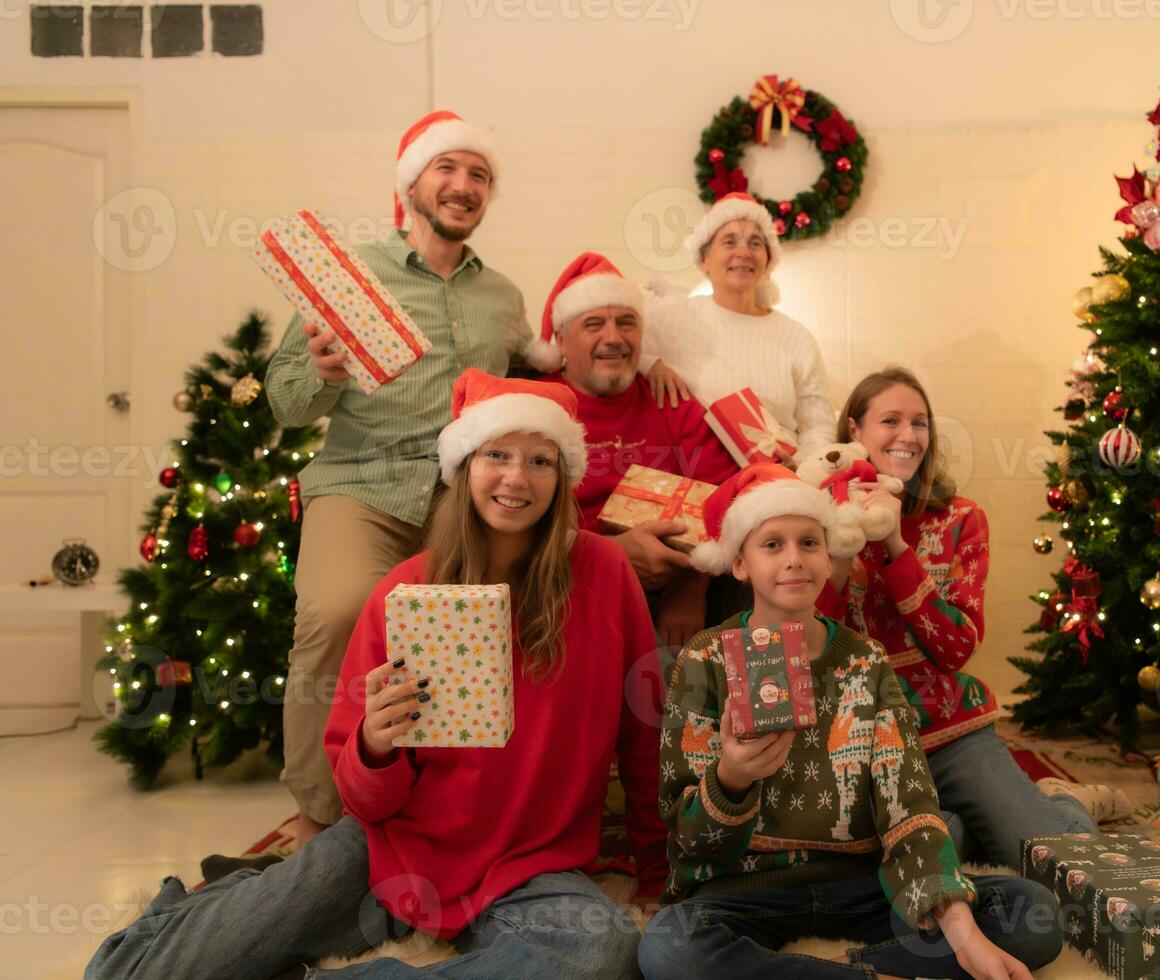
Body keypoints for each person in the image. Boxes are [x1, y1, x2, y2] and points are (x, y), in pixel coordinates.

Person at [87, 372, 665, 979]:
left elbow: (642, 733)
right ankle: (219, 907)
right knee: (135, 974)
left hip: (530, 866)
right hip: (388, 851)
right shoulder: (407, 589)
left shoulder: (603, 574)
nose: (516, 478)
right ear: (465, 466)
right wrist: (376, 745)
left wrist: (656, 869)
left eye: (540, 460)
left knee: (599, 955)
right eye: (497, 454)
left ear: (563, 476)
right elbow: (359, 793)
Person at [638, 465, 1063, 980]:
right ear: (739, 563)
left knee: (1030, 916)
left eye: (809, 542)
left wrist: (962, 928)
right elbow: (687, 843)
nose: (795, 560)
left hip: (864, 886)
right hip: (742, 893)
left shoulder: (865, 660)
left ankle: (841, 967)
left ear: (828, 552)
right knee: (669, 948)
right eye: (772, 544)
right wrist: (732, 777)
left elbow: (909, 802)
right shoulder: (703, 661)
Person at [264, 110, 533, 847]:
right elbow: (285, 401)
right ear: (412, 182)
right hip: (361, 483)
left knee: (475, 633)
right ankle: (320, 814)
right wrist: (318, 374)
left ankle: (446, 810)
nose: (463, 185)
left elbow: (532, 384)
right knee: (339, 608)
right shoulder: (346, 278)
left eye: (479, 175)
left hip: (463, 500)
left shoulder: (503, 299)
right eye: (447, 169)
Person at [821, 367, 1129, 871]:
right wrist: (836, 551)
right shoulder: (817, 519)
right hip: (860, 741)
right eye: (890, 421)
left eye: (919, 423)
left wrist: (895, 546)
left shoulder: (960, 519)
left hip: (950, 731)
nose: (908, 435)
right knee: (889, 868)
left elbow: (956, 647)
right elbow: (811, 646)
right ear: (855, 432)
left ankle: (1063, 803)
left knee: (1063, 865)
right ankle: (962, 825)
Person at [523, 252, 739, 649]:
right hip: (568, 584)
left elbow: (722, 496)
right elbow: (516, 522)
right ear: (561, 341)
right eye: (593, 325)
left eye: (627, 323)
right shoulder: (535, 406)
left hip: (679, 580)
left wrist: (692, 587)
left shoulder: (671, 397)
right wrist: (611, 557)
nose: (614, 337)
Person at [640, 192, 837, 463]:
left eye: (755, 243)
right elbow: (614, 348)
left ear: (768, 261)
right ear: (704, 259)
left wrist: (803, 469)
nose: (743, 252)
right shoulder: (673, 316)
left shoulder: (795, 337)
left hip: (777, 484)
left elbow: (819, 425)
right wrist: (649, 364)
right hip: (693, 481)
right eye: (729, 241)